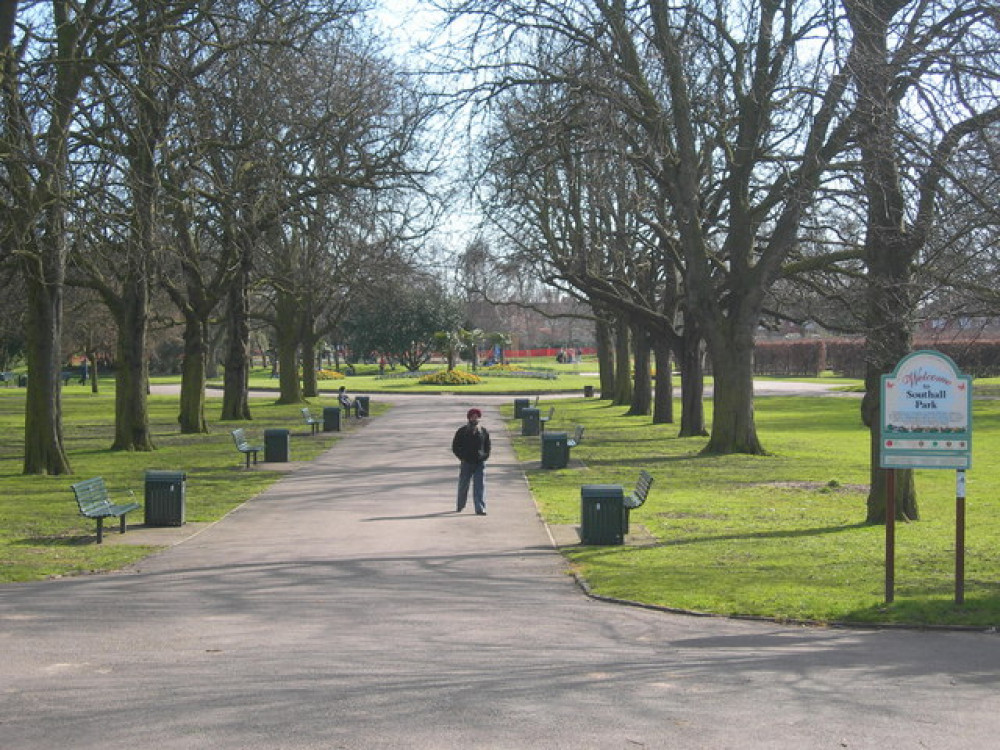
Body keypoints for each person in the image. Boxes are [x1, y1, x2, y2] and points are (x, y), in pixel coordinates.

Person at [451, 408, 491, 515]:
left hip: (479, 463)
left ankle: (480, 508)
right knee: (463, 485)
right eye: (473, 416)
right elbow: (455, 447)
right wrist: (462, 457)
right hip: (466, 462)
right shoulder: (462, 431)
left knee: (479, 486)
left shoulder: (483, 431)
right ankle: (460, 505)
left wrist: (485, 456)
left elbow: (487, 446)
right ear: (469, 418)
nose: (475, 418)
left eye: (476, 416)